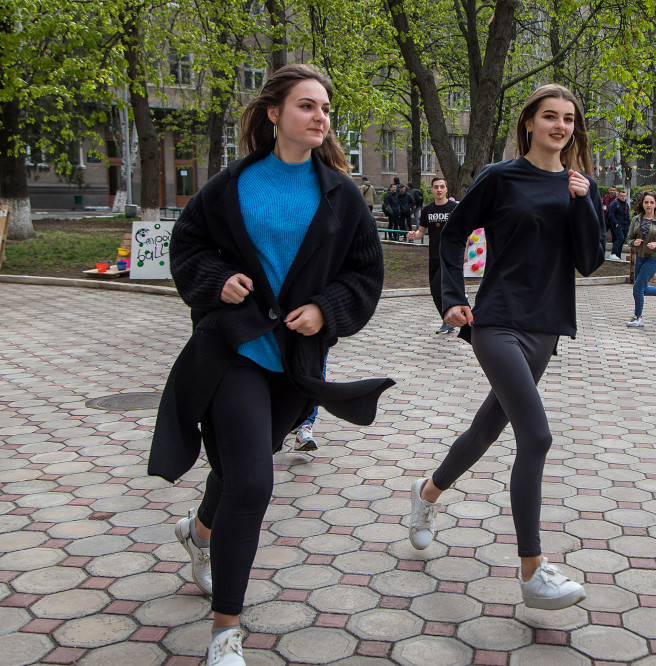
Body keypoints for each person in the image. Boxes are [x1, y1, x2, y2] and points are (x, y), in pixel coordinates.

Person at [148, 64, 394, 666]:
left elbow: (366, 274)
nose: (320, 117)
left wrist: (326, 309)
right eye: (307, 105)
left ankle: (198, 533)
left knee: (240, 468)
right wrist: (217, 280)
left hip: (295, 365)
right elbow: (189, 246)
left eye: (325, 108)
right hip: (233, 350)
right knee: (254, 482)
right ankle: (225, 631)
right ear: (274, 113)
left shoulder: (341, 195)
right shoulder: (231, 185)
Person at [408, 83, 604, 611]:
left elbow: (590, 261)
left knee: (487, 427)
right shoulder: (500, 177)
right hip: (496, 322)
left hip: (546, 327)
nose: (560, 126)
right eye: (550, 116)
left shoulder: (580, 185)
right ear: (529, 123)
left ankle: (427, 493)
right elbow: (453, 235)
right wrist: (451, 298)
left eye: (568, 119)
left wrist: (583, 202)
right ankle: (533, 571)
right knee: (536, 436)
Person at [408, 176, 458, 334]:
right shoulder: (427, 210)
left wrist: (463, 253)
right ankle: (448, 320)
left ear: (446, 189)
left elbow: (463, 232)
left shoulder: (454, 208)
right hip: (434, 255)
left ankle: (448, 320)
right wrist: (413, 235)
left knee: (438, 288)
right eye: (436, 187)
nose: (439, 190)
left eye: (442, 186)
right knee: (434, 289)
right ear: (432, 190)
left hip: (449, 256)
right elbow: (421, 232)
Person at [624, 191, 656, 327]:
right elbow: (629, 239)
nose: (649, 205)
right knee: (642, 289)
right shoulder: (636, 219)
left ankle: (638, 317)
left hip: (653, 259)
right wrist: (634, 242)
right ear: (642, 204)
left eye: (652, 202)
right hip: (639, 258)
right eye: (646, 202)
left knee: (637, 289)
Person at [607, 188, 631, 260]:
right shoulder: (614, 204)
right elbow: (611, 215)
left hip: (625, 225)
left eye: (624, 196)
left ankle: (618, 255)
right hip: (618, 224)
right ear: (618, 196)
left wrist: (628, 224)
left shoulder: (626, 204)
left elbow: (627, 215)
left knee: (622, 240)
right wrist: (616, 223)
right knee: (620, 238)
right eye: (622, 196)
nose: (623, 197)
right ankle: (613, 253)